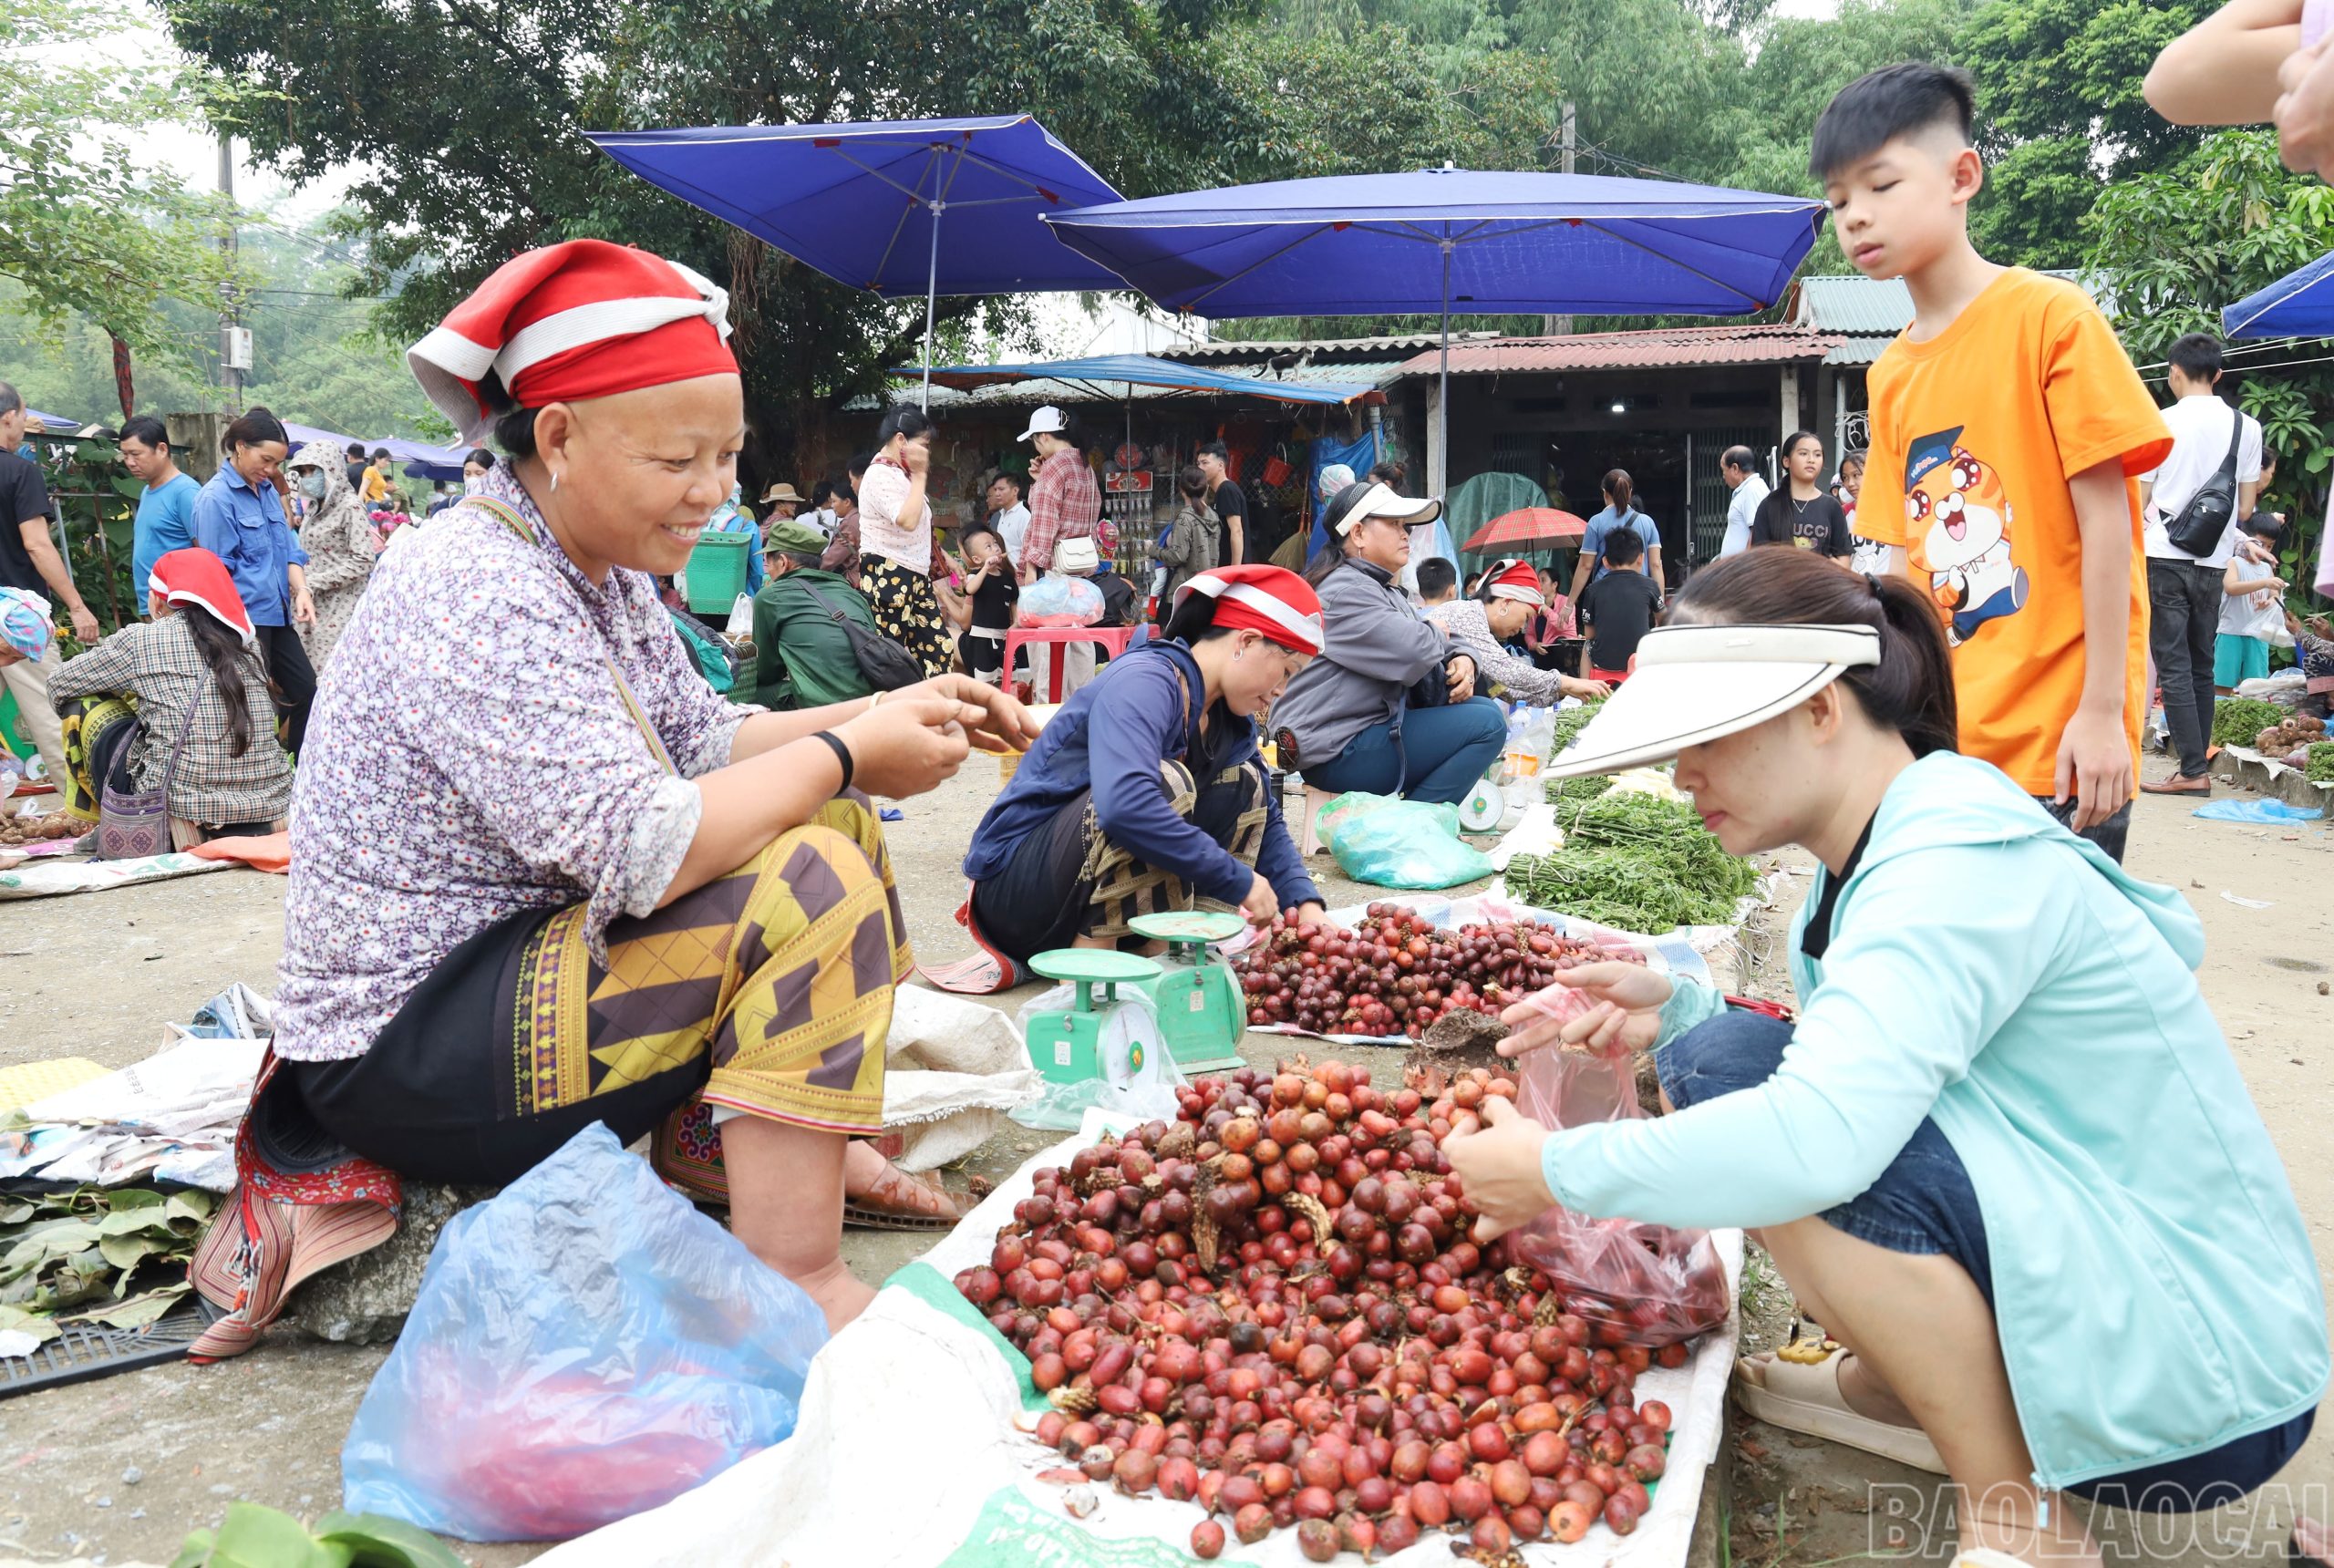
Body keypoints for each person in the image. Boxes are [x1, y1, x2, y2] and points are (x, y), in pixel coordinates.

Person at [1443, 545, 2325, 1568]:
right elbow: (1870, 1047)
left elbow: (1815, 1137)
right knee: (1724, 1049)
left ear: (1823, 706)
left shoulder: (1945, 861)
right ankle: (1913, 1388)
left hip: (2197, 1387)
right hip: (2124, 1283)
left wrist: (1551, 1170)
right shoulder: (1881, 839)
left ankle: (2022, 1518)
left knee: (1771, 1114)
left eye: (1709, 739)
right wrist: (1677, 1008)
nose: (1683, 775)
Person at [258, 240, 1038, 1347]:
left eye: (726, 455)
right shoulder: (473, 583)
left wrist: (903, 706)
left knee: (834, 818)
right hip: (402, 1052)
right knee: (809, 874)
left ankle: (752, 1140)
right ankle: (797, 1279)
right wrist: (855, 749)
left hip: (520, 972)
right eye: (681, 460)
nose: (716, 493)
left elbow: (704, 738)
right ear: (562, 436)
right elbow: (649, 848)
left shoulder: (597, 570)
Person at [1824, 63, 2172, 866]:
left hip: (2059, 743)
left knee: (2052, 983)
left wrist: (2102, 714)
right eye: (1840, 201)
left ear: (1962, 176)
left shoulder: (2051, 319)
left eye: (1880, 185)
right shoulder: (1891, 374)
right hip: (1945, 748)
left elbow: (2109, 526)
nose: (1858, 217)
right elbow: (1905, 567)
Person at [963, 564, 1328, 979]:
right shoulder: (1145, 681)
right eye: (1286, 671)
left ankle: (1181, 951)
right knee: (1161, 784)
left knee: (1246, 782)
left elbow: (1268, 822)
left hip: (1074, 885)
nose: (1281, 690)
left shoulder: (1230, 721)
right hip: (1018, 897)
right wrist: (1239, 880)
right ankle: (1092, 967)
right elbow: (1126, 808)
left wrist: (1306, 904)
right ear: (1246, 641)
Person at [1271, 482, 1505, 806]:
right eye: (1394, 524)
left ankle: (1413, 820)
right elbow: (1416, 649)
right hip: (1335, 749)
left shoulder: (1381, 589)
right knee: (1488, 724)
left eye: (1405, 526)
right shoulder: (1345, 590)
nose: (1405, 534)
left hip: (1362, 733)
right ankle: (1414, 827)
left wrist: (1465, 657)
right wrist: (1437, 632)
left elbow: (1439, 636)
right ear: (1358, 534)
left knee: (1481, 709)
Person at [47, 547, 294, 848]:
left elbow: (59, 684)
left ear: (160, 598)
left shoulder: (142, 639)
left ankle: (113, 824)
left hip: (181, 813)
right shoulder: (248, 643)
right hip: (271, 808)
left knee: (84, 704)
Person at [2135, 333, 2265, 796]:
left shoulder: (2159, 420)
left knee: (2172, 663)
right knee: (2202, 664)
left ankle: (2192, 771)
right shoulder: (2246, 427)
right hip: (2214, 560)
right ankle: (2196, 762)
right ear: (2219, 374)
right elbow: (2246, 509)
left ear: (2173, 372)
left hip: (2164, 555)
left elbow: (2142, 498)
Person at [191, 407, 317, 755]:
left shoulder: (265, 494)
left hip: (277, 616)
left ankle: (295, 767)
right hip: (242, 623)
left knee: (307, 691)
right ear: (241, 446)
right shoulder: (216, 499)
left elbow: (289, 549)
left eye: (276, 464)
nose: (271, 471)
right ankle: (259, 774)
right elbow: (215, 575)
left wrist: (302, 589)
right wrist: (232, 635)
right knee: (255, 706)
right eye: (266, 460)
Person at [0, 385, 98, 789]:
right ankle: (87, 811)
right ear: (8, 418)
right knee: (49, 711)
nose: (25, 424)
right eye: (23, 416)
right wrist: (76, 605)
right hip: (17, 617)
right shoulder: (19, 472)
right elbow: (37, 544)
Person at [856, 405, 954, 679]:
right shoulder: (880, 475)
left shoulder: (900, 474)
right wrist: (921, 475)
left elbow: (919, 528)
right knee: (890, 655)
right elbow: (907, 520)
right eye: (923, 445)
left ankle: (935, 713)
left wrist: (945, 558)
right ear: (900, 440)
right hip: (888, 572)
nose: (927, 453)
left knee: (938, 650)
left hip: (913, 574)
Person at [1427, 559, 1610, 706]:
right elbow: (1509, 671)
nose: (1523, 626)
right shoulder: (1467, 613)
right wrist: (1567, 682)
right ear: (1506, 603)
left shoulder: (1483, 627)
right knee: (1489, 718)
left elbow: (1506, 690)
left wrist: (1563, 691)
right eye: (1526, 616)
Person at [747, 517, 880, 711]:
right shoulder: (851, 593)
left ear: (783, 563)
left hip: (819, 707)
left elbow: (767, 671)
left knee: (751, 695)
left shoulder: (770, 597)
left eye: (768, 562)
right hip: (867, 702)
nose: (768, 569)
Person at [281, 440, 379, 672]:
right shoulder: (313, 508)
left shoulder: (350, 506)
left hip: (341, 605)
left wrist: (314, 582)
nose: (307, 477)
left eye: (312, 471)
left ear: (331, 469)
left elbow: (364, 560)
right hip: (310, 602)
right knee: (307, 676)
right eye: (303, 472)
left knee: (331, 673)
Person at [120, 416, 201, 607]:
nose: (130, 462)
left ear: (162, 449)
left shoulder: (185, 492)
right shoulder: (147, 491)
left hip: (177, 606)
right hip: (151, 603)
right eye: (125, 455)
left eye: (136, 454)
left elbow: (205, 553)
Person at [1020, 407, 1101, 583]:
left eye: (1033, 440)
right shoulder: (1085, 465)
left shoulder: (1055, 466)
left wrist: (1031, 568)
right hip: (1083, 567)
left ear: (1044, 436)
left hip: (1054, 571)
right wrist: (1041, 479)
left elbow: (1045, 520)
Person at [1575, 528, 1665, 681]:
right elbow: (1663, 620)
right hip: (1640, 658)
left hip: (1604, 662)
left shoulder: (1593, 590)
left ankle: (1586, 694)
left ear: (1605, 562)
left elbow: (1590, 634)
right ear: (1641, 559)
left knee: (1587, 646)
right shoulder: (1650, 585)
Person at [1750, 431, 1856, 557]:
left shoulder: (1832, 507)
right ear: (1786, 461)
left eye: (1817, 455)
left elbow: (1843, 558)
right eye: (1803, 454)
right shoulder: (1769, 505)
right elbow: (1758, 558)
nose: (1811, 460)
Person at [2217, 507, 2288, 695]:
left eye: (2270, 546)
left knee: (2257, 686)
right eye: (2260, 544)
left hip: (2258, 635)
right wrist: (2264, 583)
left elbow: (2274, 593)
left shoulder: (2266, 568)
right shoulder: (2234, 562)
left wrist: (2272, 600)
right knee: (2222, 684)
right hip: (2231, 631)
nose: (2264, 550)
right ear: (2247, 540)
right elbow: (2231, 587)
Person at [1570, 469, 1664, 606]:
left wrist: (1569, 604)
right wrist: (1659, 606)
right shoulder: (1647, 522)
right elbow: (1655, 565)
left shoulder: (1596, 522)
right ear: (1630, 492)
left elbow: (1585, 566)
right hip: (1639, 595)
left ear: (1604, 492)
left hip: (1604, 594)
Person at [950, 521, 1018, 686]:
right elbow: (970, 589)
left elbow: (1014, 602)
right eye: (988, 546)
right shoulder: (976, 576)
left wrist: (1016, 623)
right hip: (982, 638)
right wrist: (985, 568)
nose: (995, 548)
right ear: (976, 559)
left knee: (1007, 678)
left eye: (995, 543)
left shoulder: (1008, 577)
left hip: (1003, 637)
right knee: (984, 680)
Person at [1155, 464, 1220, 618]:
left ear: (1182, 490)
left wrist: (1153, 550)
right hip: (1207, 587)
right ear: (1205, 488)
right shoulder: (1213, 516)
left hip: (1184, 588)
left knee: (1172, 635)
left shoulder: (1185, 517)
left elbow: (1178, 556)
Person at [1195, 439, 1247, 566]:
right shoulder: (1220, 491)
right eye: (1198, 463)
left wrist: (1234, 570)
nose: (1200, 468)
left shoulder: (1227, 489)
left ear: (1220, 465)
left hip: (1229, 568)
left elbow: (1237, 531)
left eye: (1205, 463)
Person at [1719, 444, 1769, 559]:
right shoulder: (1746, 489)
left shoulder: (1753, 489)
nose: (1723, 476)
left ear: (1735, 468)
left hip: (1745, 572)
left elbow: (1757, 532)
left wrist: (1745, 567)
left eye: (1724, 470)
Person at [821, 467, 865, 589]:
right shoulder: (858, 517)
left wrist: (811, 568)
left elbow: (832, 558)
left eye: (834, 501)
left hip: (851, 581)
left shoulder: (850, 523)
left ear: (847, 502)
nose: (832, 506)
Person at [985, 471, 1031, 567]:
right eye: (995, 489)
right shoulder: (1001, 515)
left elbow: (1029, 550)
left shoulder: (1024, 515)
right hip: (1006, 573)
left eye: (1001, 489)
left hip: (1020, 574)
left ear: (1015, 491)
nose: (997, 494)